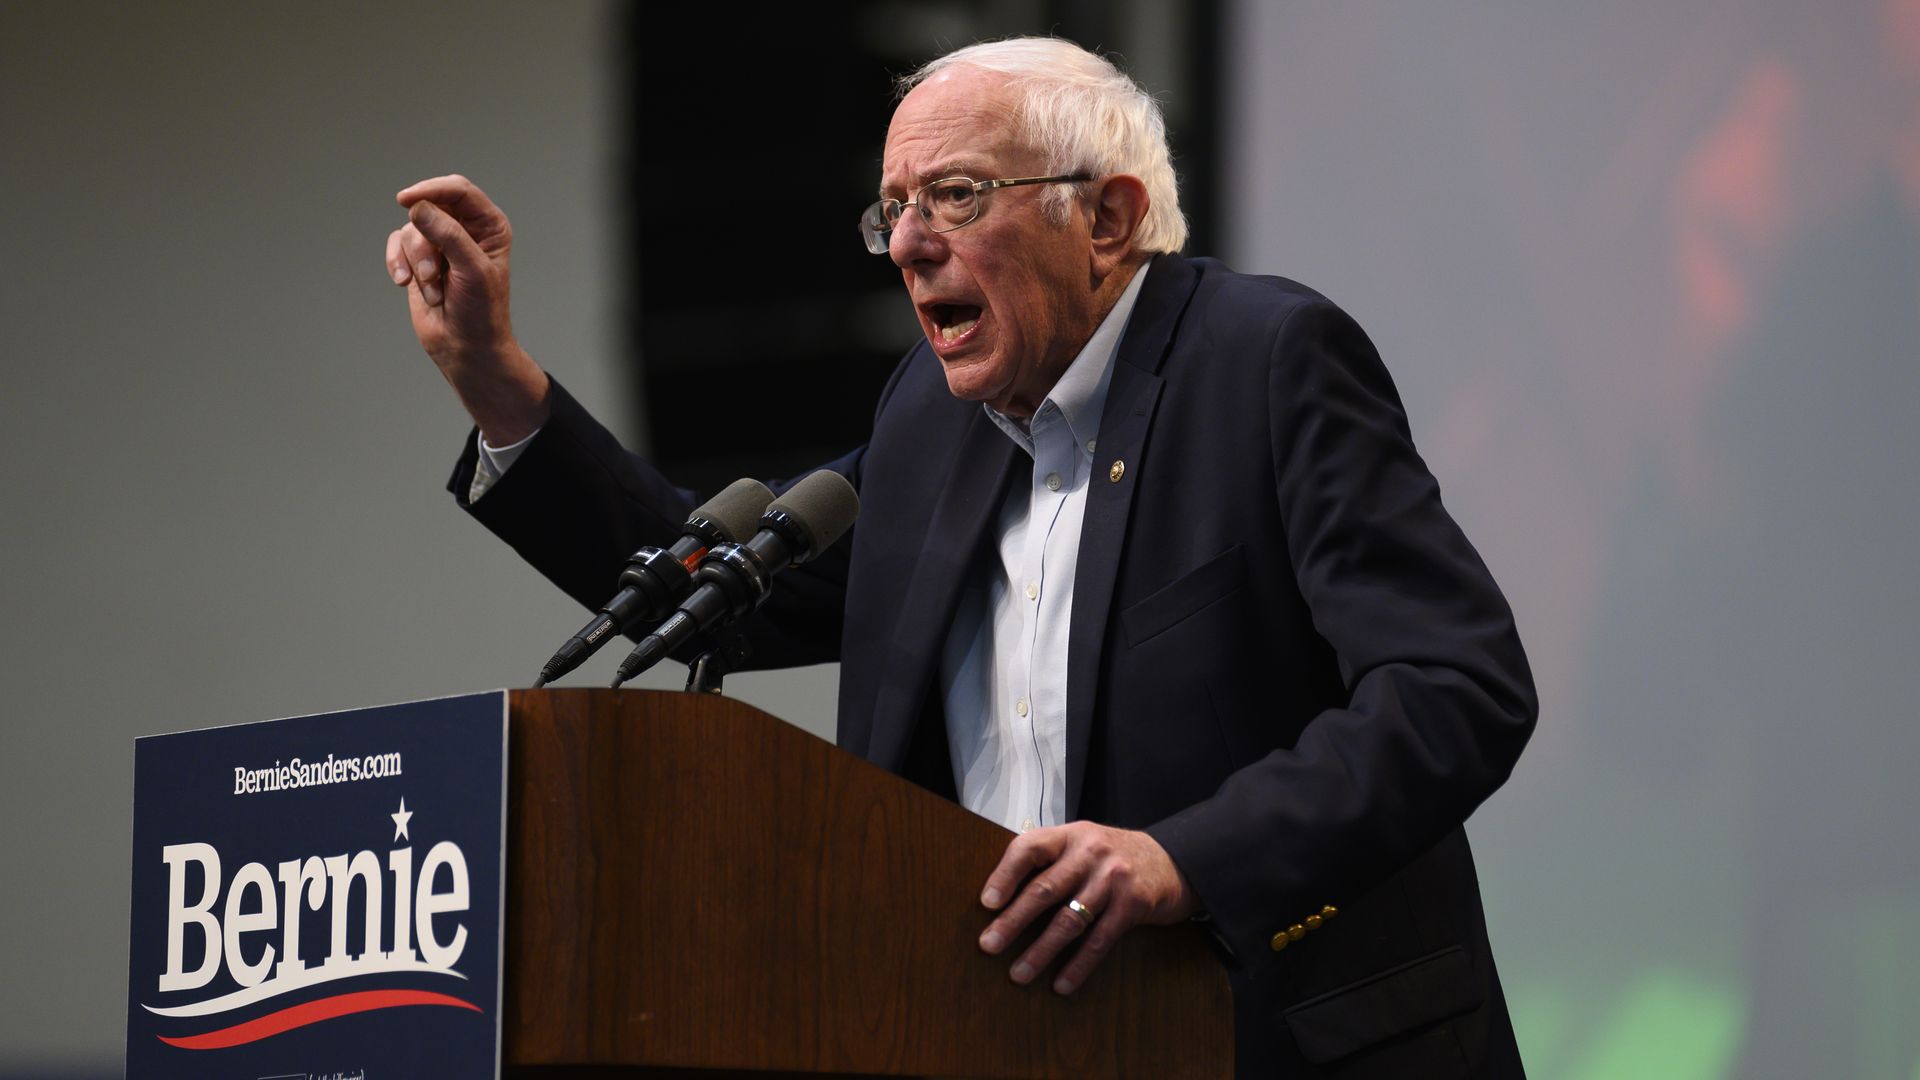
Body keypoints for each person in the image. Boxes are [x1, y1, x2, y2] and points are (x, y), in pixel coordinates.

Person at [387, 37, 1536, 1078]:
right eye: (892, 209)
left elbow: (1455, 688)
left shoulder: (1266, 362)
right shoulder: (928, 427)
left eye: (956, 195)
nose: (908, 243)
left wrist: (1181, 858)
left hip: (1282, 1041)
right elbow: (712, 584)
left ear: (1109, 217)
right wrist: (495, 376)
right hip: (996, 1042)